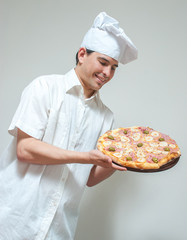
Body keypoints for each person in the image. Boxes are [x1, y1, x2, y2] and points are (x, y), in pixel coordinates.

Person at [0, 12, 137, 240]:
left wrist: (124, 158)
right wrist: (84, 157)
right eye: (103, 62)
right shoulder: (44, 88)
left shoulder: (105, 116)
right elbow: (25, 150)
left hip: (59, 229)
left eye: (114, 67)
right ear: (82, 54)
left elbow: (90, 177)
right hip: (16, 221)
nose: (107, 73)